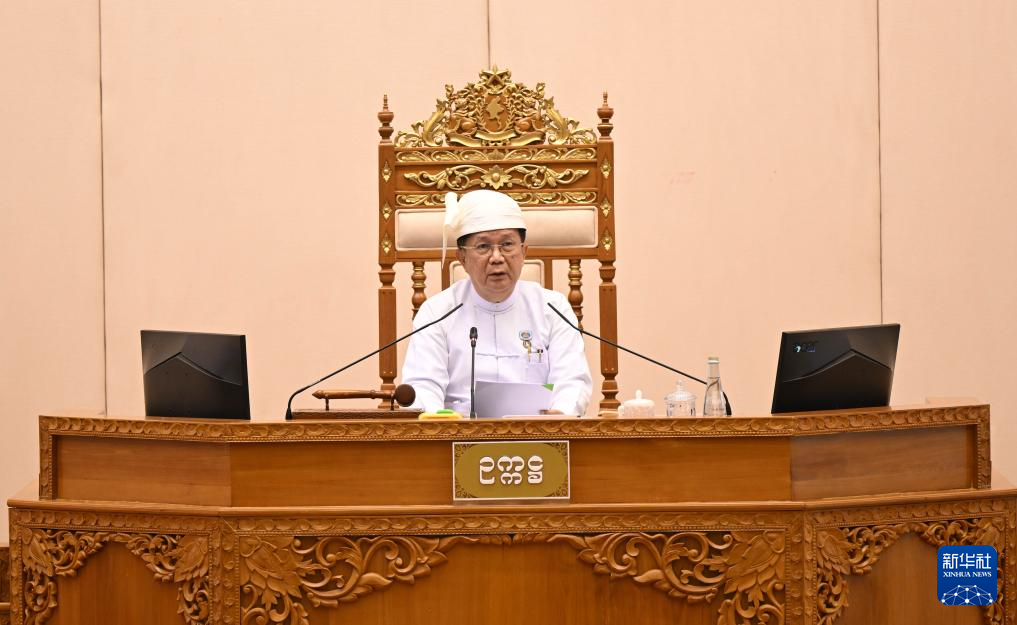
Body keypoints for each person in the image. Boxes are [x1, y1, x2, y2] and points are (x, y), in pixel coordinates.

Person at [400, 190, 593, 416]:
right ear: (462, 258)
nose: (497, 258)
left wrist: (560, 415)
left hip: (538, 432)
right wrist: (438, 423)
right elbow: (422, 386)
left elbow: (572, 381)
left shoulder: (553, 309)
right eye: (483, 247)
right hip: (457, 432)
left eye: (507, 244)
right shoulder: (437, 313)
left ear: (524, 252)